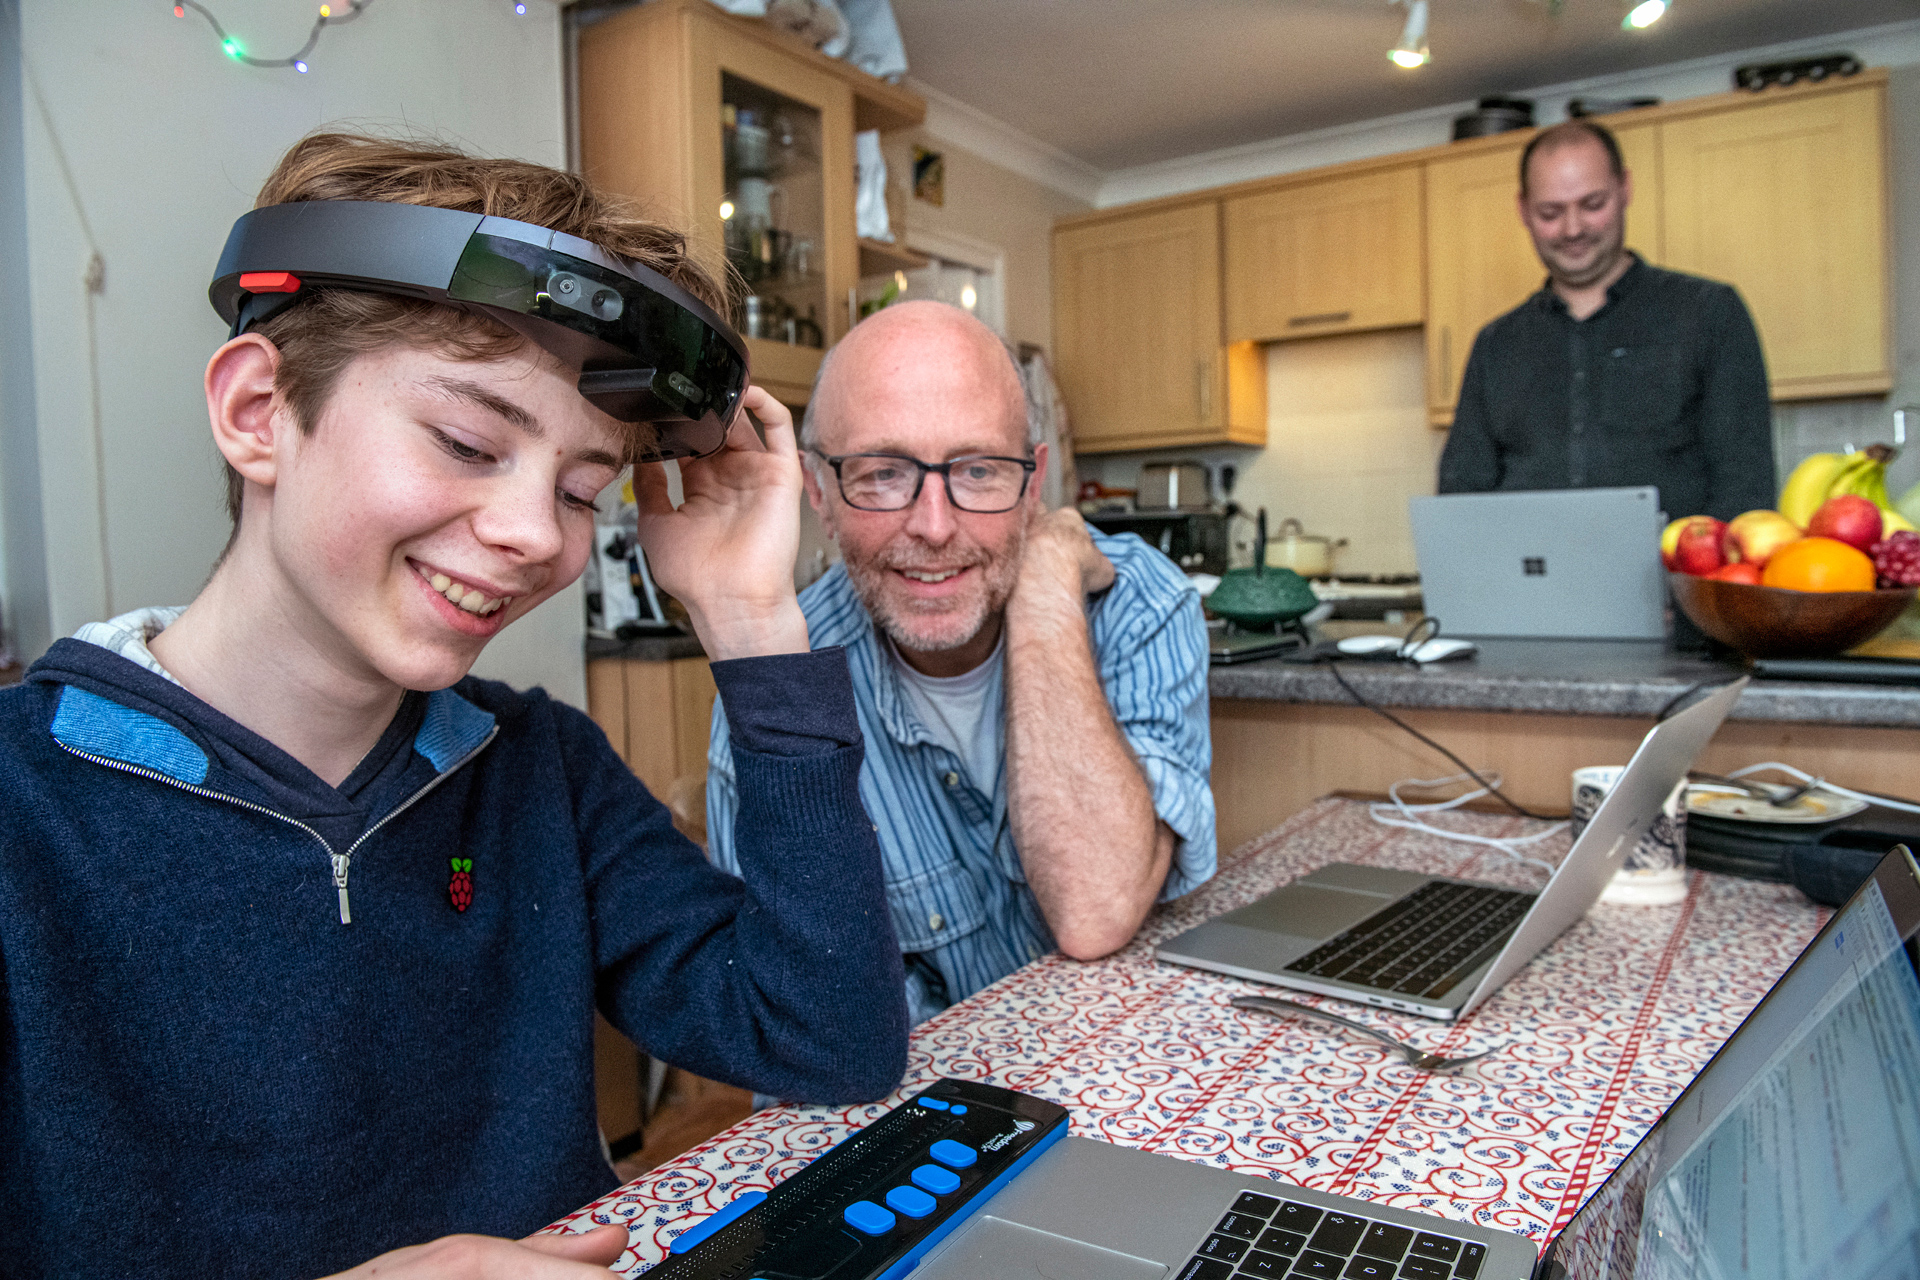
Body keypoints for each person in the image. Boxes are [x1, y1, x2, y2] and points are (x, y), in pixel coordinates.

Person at [0, 133, 909, 1279]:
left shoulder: (539, 767)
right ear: (257, 410)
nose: (538, 534)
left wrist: (749, 619)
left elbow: (827, 1036)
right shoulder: (25, 805)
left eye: (584, 489)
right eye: (469, 441)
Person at [706, 301, 1216, 1026]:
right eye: (883, 473)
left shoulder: (1141, 604)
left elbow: (1094, 909)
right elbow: (804, 1036)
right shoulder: (775, 689)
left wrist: (1044, 587)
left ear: (1034, 485)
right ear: (816, 490)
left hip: (1135, 1071)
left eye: (978, 471)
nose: (935, 527)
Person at [1437, 119, 1776, 522]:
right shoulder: (1496, 344)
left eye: (1593, 205)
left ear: (1624, 189)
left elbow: (1745, 487)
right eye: (1550, 213)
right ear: (1523, 210)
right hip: (1531, 583)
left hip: (1675, 582)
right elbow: (1460, 500)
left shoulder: (1709, 312)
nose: (1573, 228)